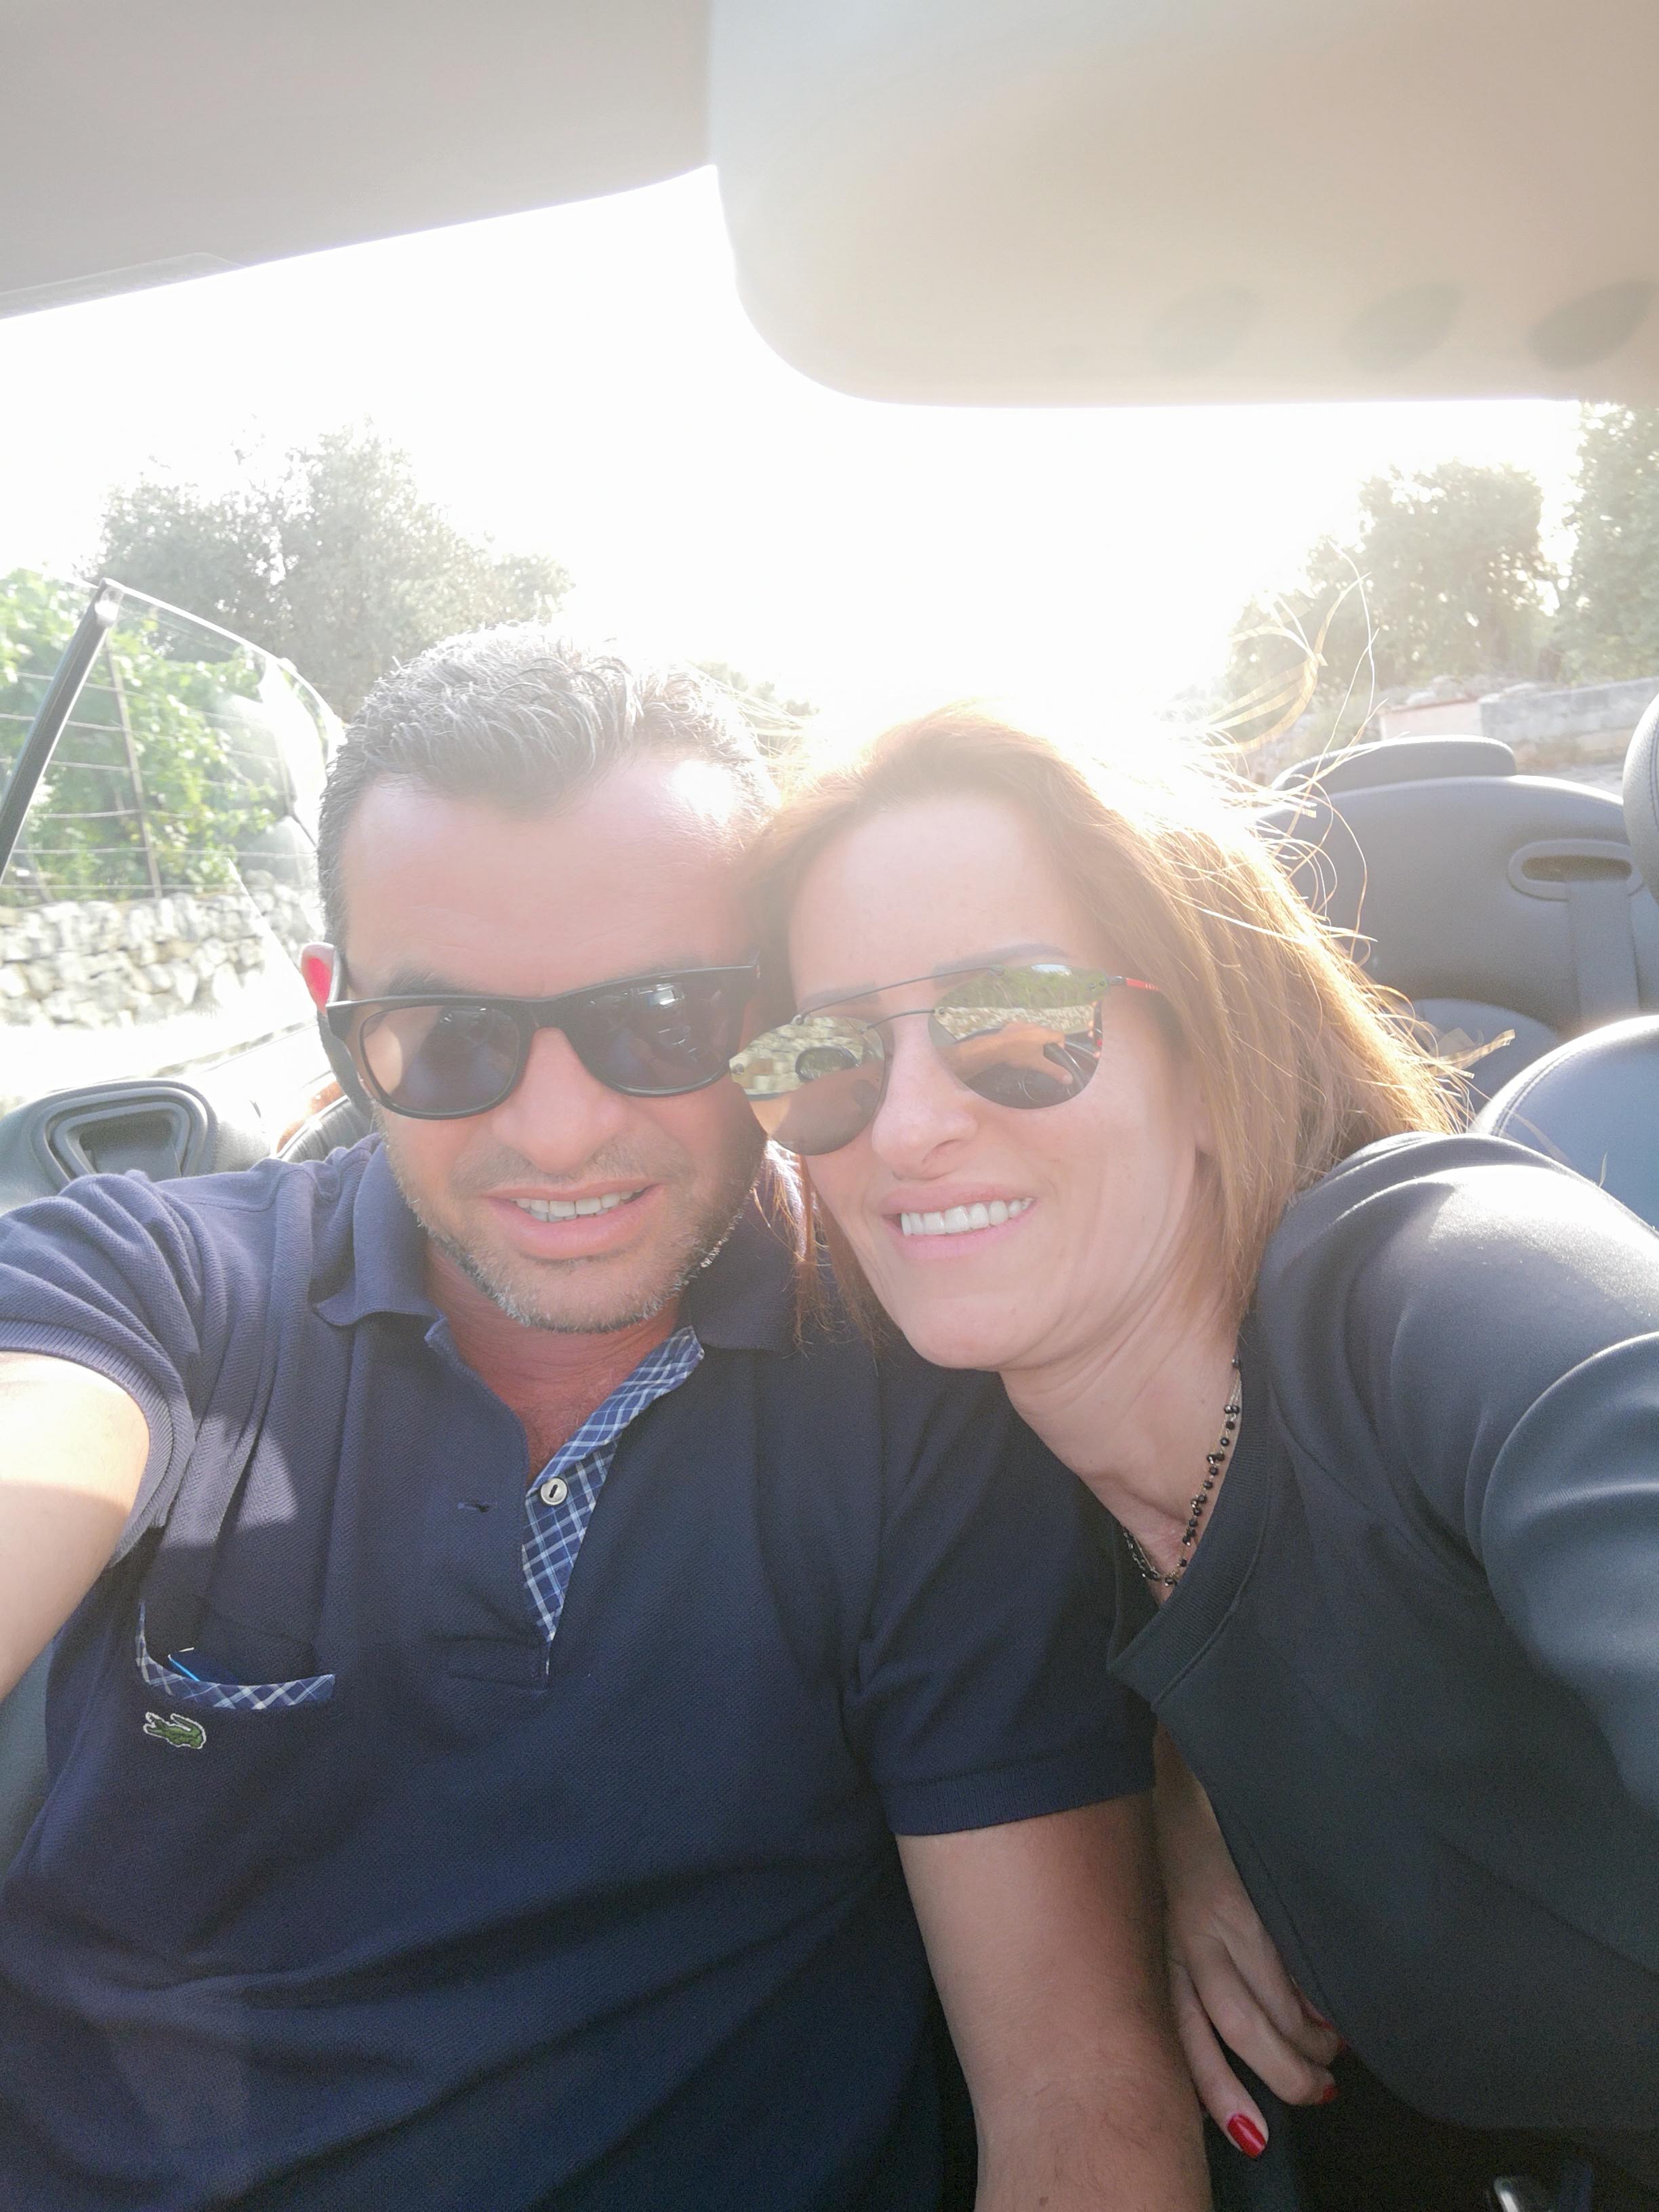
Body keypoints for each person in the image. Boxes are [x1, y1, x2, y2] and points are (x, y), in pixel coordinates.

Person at [0, 642, 1208, 2211]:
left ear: (773, 1012)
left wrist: (1232, 1783)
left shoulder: (914, 1405)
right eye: (449, 1036)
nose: (560, 1130)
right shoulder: (149, 1290)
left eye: (663, 1020)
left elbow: (1072, 2092)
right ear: (335, 1017)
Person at [736, 705, 1659, 2211]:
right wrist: (1172, 1789)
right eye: (824, 1058)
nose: (901, 1129)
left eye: (1018, 1026)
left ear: (1214, 1042)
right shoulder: (1004, 1517)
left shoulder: (1449, 1294)